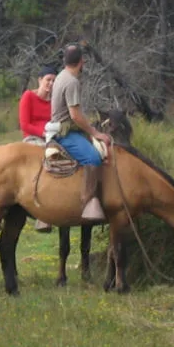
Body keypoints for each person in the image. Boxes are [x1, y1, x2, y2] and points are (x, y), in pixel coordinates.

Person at [47, 43, 111, 221]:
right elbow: (75, 116)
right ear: (82, 61)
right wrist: (95, 132)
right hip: (65, 133)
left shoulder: (61, 76)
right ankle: (89, 201)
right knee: (94, 158)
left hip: (62, 128)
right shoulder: (72, 81)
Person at [18, 65, 57, 231]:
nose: (51, 84)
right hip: (34, 138)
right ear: (40, 80)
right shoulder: (28, 96)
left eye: (54, 81)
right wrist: (43, 132)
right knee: (44, 159)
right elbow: (25, 123)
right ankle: (41, 213)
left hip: (52, 138)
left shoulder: (54, 101)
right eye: (48, 80)